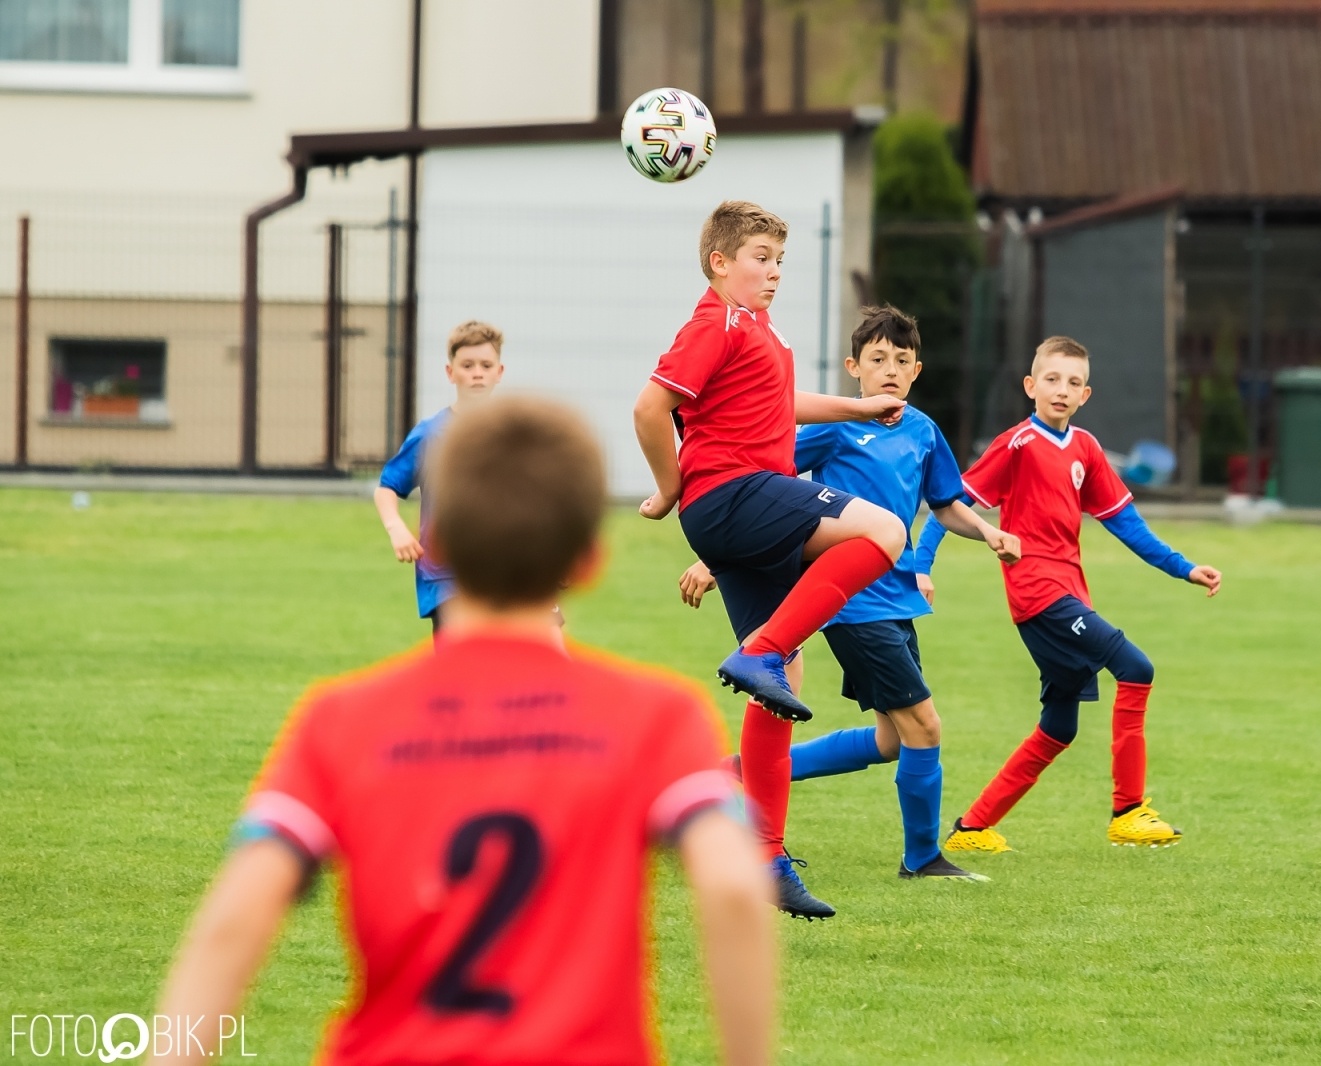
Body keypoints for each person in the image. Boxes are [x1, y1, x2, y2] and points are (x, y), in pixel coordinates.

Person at [148, 396, 776, 1066]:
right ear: (588, 559)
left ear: (440, 545)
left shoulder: (340, 719)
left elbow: (233, 920)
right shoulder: (658, 716)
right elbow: (734, 886)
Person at [633, 201, 908, 920]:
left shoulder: (754, 329)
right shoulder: (714, 322)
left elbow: (780, 403)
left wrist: (858, 406)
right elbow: (648, 407)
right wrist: (670, 487)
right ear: (720, 262)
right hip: (734, 494)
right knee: (882, 533)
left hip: (737, 505)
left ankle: (765, 857)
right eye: (760, 256)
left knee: (779, 685)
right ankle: (765, 648)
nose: (774, 271)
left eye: (779, 260)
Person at [680, 305, 1020, 882]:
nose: (890, 370)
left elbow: (943, 504)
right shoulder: (835, 429)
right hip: (852, 601)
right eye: (878, 360)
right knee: (924, 727)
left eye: (902, 361)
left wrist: (987, 530)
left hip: (899, 598)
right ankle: (923, 859)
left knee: (893, 738)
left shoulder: (923, 432)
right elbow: (760, 487)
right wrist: (716, 556)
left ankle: (739, 772)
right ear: (853, 368)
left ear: (917, 371)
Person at [921, 336, 1223, 854]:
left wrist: (1184, 567)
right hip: (1040, 595)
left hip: (1068, 595)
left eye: (1074, 383)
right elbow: (949, 505)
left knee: (1059, 726)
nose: (1062, 390)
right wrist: (919, 566)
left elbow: (1127, 524)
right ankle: (1128, 811)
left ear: (1086, 395)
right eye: (1053, 379)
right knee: (1137, 667)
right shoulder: (1016, 443)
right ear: (1030, 385)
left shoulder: (1085, 448)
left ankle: (973, 827)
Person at [373, 320, 506, 639]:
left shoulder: (510, 434)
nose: (477, 372)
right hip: (446, 576)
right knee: (458, 677)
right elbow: (387, 488)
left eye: (486, 365)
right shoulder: (431, 434)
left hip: (501, 572)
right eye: (468, 365)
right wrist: (396, 529)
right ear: (451, 373)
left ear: (499, 372)